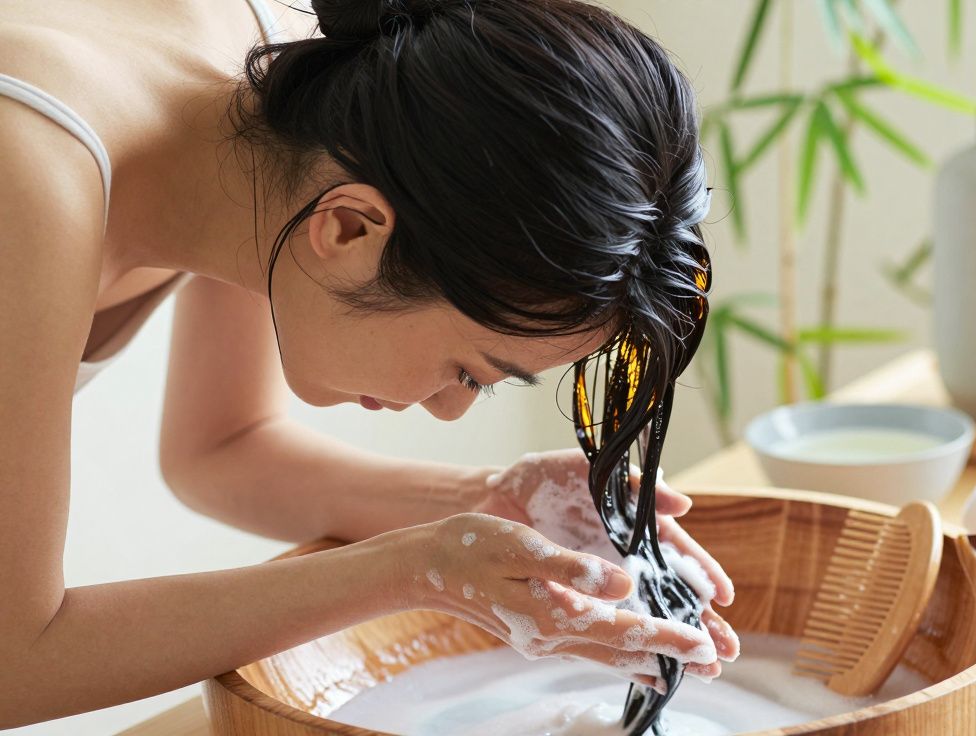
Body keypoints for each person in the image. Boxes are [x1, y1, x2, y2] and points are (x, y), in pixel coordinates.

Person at [0, 0, 737, 726]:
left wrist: (484, 502)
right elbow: (13, 662)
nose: (451, 408)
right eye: (474, 371)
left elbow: (221, 449)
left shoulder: (311, 113)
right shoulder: (24, 173)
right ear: (349, 227)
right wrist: (416, 569)